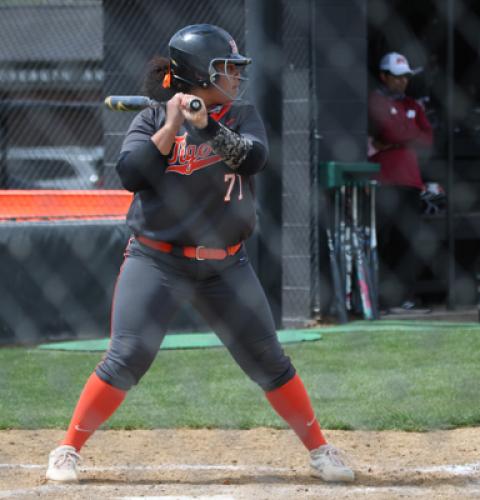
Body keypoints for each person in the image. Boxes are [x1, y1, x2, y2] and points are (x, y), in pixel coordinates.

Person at [45, 24, 354, 483]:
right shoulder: (151, 119)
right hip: (157, 259)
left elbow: (252, 158)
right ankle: (67, 449)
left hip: (227, 264)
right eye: (225, 68)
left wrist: (206, 125)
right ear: (197, 73)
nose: (234, 75)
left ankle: (320, 450)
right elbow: (131, 172)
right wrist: (172, 125)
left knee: (270, 360)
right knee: (126, 356)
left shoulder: (242, 114)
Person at [368, 52, 433, 314]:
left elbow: (427, 139)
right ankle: (384, 299)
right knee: (387, 241)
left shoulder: (413, 106)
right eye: (397, 77)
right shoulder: (377, 100)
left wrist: (397, 138)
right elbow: (391, 131)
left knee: (410, 243)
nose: (402, 82)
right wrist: (406, 134)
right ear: (384, 77)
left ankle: (406, 298)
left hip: (410, 182)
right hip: (385, 181)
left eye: (406, 77)